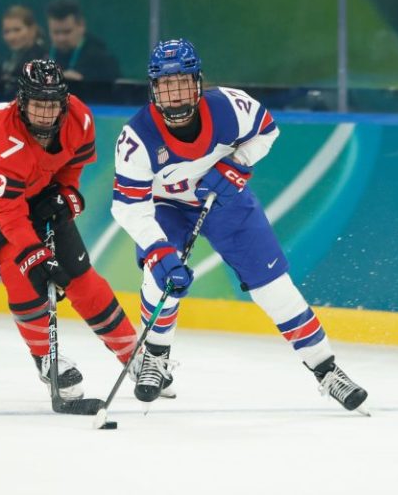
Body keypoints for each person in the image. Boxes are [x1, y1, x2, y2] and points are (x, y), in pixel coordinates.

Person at [111, 39, 369, 414]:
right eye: (166, 85)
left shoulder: (230, 106)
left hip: (226, 202)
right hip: (165, 205)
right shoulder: (136, 138)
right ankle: (155, 356)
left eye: (182, 82)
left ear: (198, 82)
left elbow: (267, 130)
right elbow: (129, 206)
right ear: (154, 89)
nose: (175, 94)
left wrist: (236, 164)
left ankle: (326, 369)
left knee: (274, 288)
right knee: (160, 278)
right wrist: (158, 250)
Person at [0, 59, 137, 401]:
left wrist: (64, 195)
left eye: (53, 105)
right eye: (38, 104)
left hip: (35, 191)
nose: (46, 114)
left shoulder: (80, 119)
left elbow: (72, 169)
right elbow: (7, 213)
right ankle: (46, 359)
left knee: (79, 273)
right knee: (18, 266)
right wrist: (37, 258)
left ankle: (134, 356)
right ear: (22, 101)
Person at [45, 0, 119, 83]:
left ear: (81, 26)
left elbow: (116, 91)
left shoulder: (101, 58)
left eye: (67, 32)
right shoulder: (42, 53)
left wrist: (83, 83)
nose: (61, 38)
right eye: (56, 33)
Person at [1, 6, 47, 82]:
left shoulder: (43, 60)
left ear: (32, 30)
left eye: (17, 30)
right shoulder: (7, 59)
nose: (11, 37)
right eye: (6, 31)